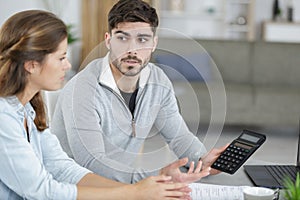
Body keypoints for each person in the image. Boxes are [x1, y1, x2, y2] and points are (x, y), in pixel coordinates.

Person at [0, 9, 203, 200]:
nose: (68, 65)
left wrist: (147, 184)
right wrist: (133, 193)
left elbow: (61, 167)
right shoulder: (4, 117)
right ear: (31, 64)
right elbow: (43, 190)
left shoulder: (28, 110)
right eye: (61, 57)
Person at [52, 0, 227, 184]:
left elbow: (179, 136)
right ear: (108, 41)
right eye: (122, 38)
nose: (132, 50)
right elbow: (90, 161)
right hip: (74, 187)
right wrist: (155, 177)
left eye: (142, 39)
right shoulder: (82, 88)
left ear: (154, 43)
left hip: (120, 185)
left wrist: (201, 159)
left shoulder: (158, 81)